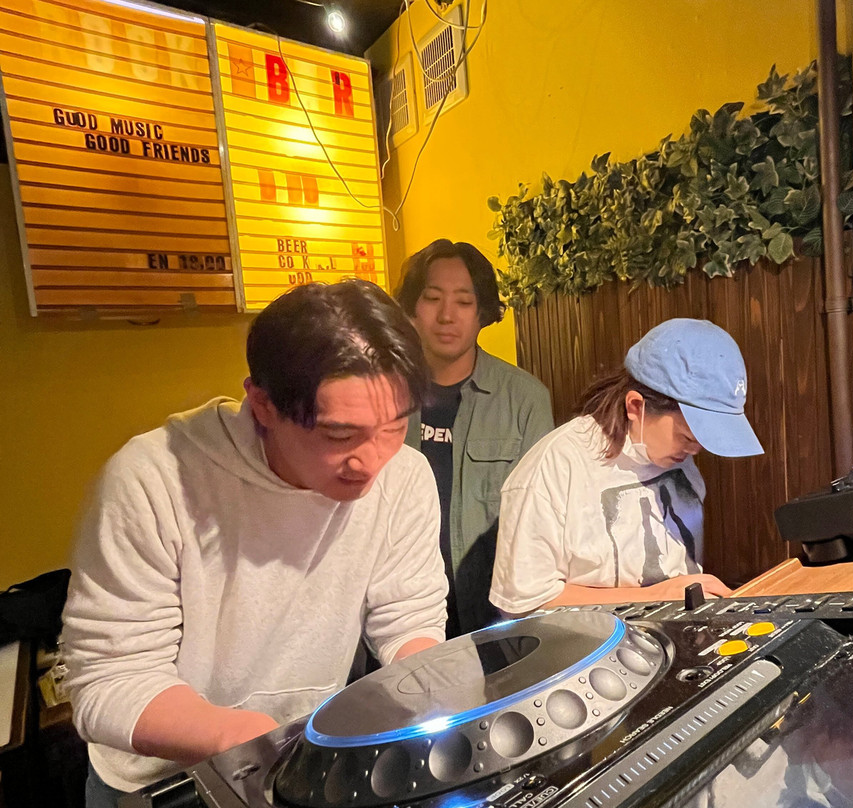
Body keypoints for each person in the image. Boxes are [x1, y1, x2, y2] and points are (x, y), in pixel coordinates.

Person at [61, 281, 449, 805]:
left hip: (305, 759)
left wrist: (430, 694)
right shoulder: (154, 481)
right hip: (166, 780)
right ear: (262, 404)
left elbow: (407, 616)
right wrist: (250, 740)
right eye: (339, 436)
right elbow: (109, 678)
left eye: (394, 428)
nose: (372, 461)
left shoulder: (404, 475)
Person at [489, 318, 763, 615]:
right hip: (595, 643)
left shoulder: (677, 456)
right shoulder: (554, 467)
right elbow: (524, 602)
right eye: (687, 437)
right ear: (635, 406)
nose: (695, 450)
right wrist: (655, 596)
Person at [396, 239, 553, 636]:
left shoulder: (524, 399)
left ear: (482, 312)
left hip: (493, 619)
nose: (446, 315)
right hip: (399, 615)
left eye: (464, 302)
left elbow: (542, 523)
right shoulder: (384, 393)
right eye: (433, 298)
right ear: (412, 307)